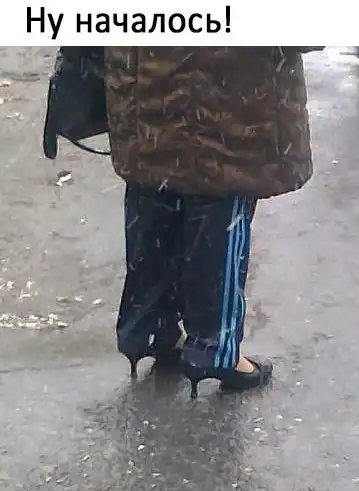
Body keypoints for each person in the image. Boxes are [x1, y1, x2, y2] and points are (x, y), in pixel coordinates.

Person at [104, 47, 323, 398]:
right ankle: (215, 349)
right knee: (220, 195)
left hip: (144, 79)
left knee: (154, 186)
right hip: (228, 90)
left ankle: (150, 329)